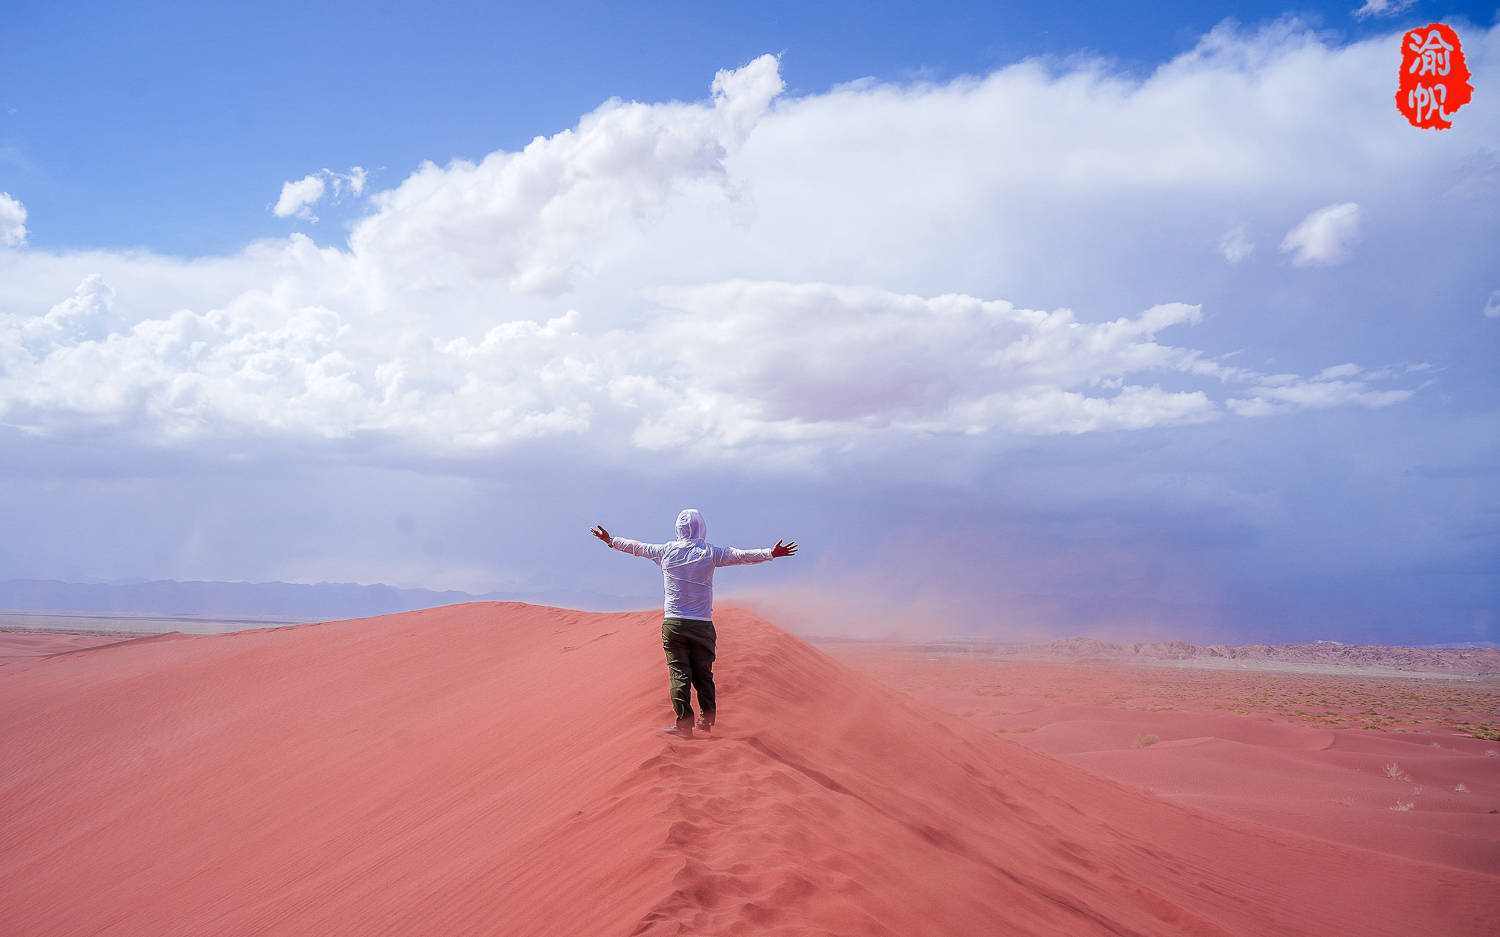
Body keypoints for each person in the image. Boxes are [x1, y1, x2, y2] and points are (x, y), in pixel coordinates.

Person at [591, 508, 797, 738]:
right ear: (701, 527)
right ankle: (706, 721)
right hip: (702, 625)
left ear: (677, 529)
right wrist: (770, 553)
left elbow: (637, 547)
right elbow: (741, 556)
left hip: (674, 624)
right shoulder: (710, 552)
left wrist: (610, 540)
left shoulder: (665, 551)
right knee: (703, 674)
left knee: (679, 673)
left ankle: (684, 726)